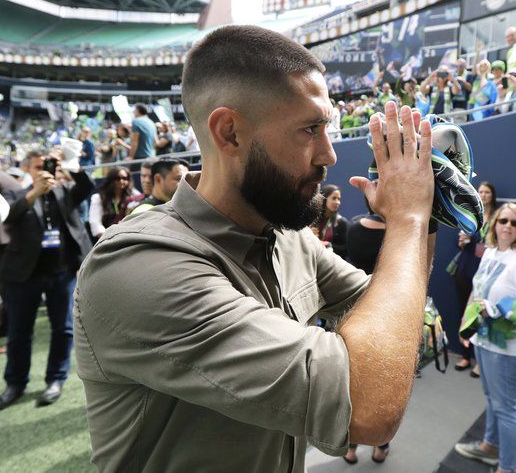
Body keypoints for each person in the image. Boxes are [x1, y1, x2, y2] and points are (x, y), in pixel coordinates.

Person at [74, 25, 437, 472]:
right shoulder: (139, 267)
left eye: (328, 128)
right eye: (309, 129)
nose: (329, 155)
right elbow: (366, 404)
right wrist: (409, 220)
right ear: (229, 133)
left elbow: (393, 310)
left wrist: (429, 219)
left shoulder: (288, 236)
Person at [0, 150, 93, 412]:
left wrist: (69, 165)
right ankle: (15, 384)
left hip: (61, 273)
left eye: (47, 166)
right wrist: (34, 192)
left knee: (64, 329)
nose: (43, 171)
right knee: (19, 333)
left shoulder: (65, 190)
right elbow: (8, 216)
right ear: (27, 169)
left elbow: (87, 187)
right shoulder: (17, 193)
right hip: (23, 275)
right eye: (37, 167)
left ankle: (55, 380)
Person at [453, 203, 516, 473]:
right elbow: (478, 289)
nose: (507, 226)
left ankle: (508, 467)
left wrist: (499, 309)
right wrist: (466, 322)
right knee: (492, 398)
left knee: (506, 407)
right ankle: (489, 446)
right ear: (494, 223)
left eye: (514, 223)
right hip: (484, 339)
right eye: (503, 220)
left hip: (506, 348)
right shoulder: (491, 251)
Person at [343, 202, 391, 464]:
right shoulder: (398, 235)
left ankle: (350, 446)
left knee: (351, 384)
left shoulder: (352, 226)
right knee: (383, 386)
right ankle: (381, 444)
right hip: (386, 315)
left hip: (353, 311)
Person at [448, 181, 497, 376]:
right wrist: (463, 241)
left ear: (493, 195)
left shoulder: (499, 218)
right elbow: (461, 242)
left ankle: (479, 360)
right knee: (464, 313)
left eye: (487, 192)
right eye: (481, 191)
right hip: (466, 267)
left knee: (482, 313)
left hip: (486, 270)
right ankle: (465, 355)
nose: (483, 195)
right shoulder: (470, 213)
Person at [0, 168, 21, 341]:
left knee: (9, 290)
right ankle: (5, 328)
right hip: (8, 240)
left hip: (4, 242)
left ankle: (10, 332)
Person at [88, 167, 133, 239]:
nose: (121, 181)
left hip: (128, 238)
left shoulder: (133, 196)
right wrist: (107, 239)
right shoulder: (99, 198)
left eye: (125, 178)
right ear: (111, 180)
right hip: (106, 239)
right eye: (117, 178)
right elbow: (95, 222)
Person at [312, 184, 348, 259]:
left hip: (332, 263)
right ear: (324, 198)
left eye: (339, 199)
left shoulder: (342, 222)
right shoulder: (312, 219)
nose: (337, 202)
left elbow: (346, 250)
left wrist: (327, 245)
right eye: (334, 198)